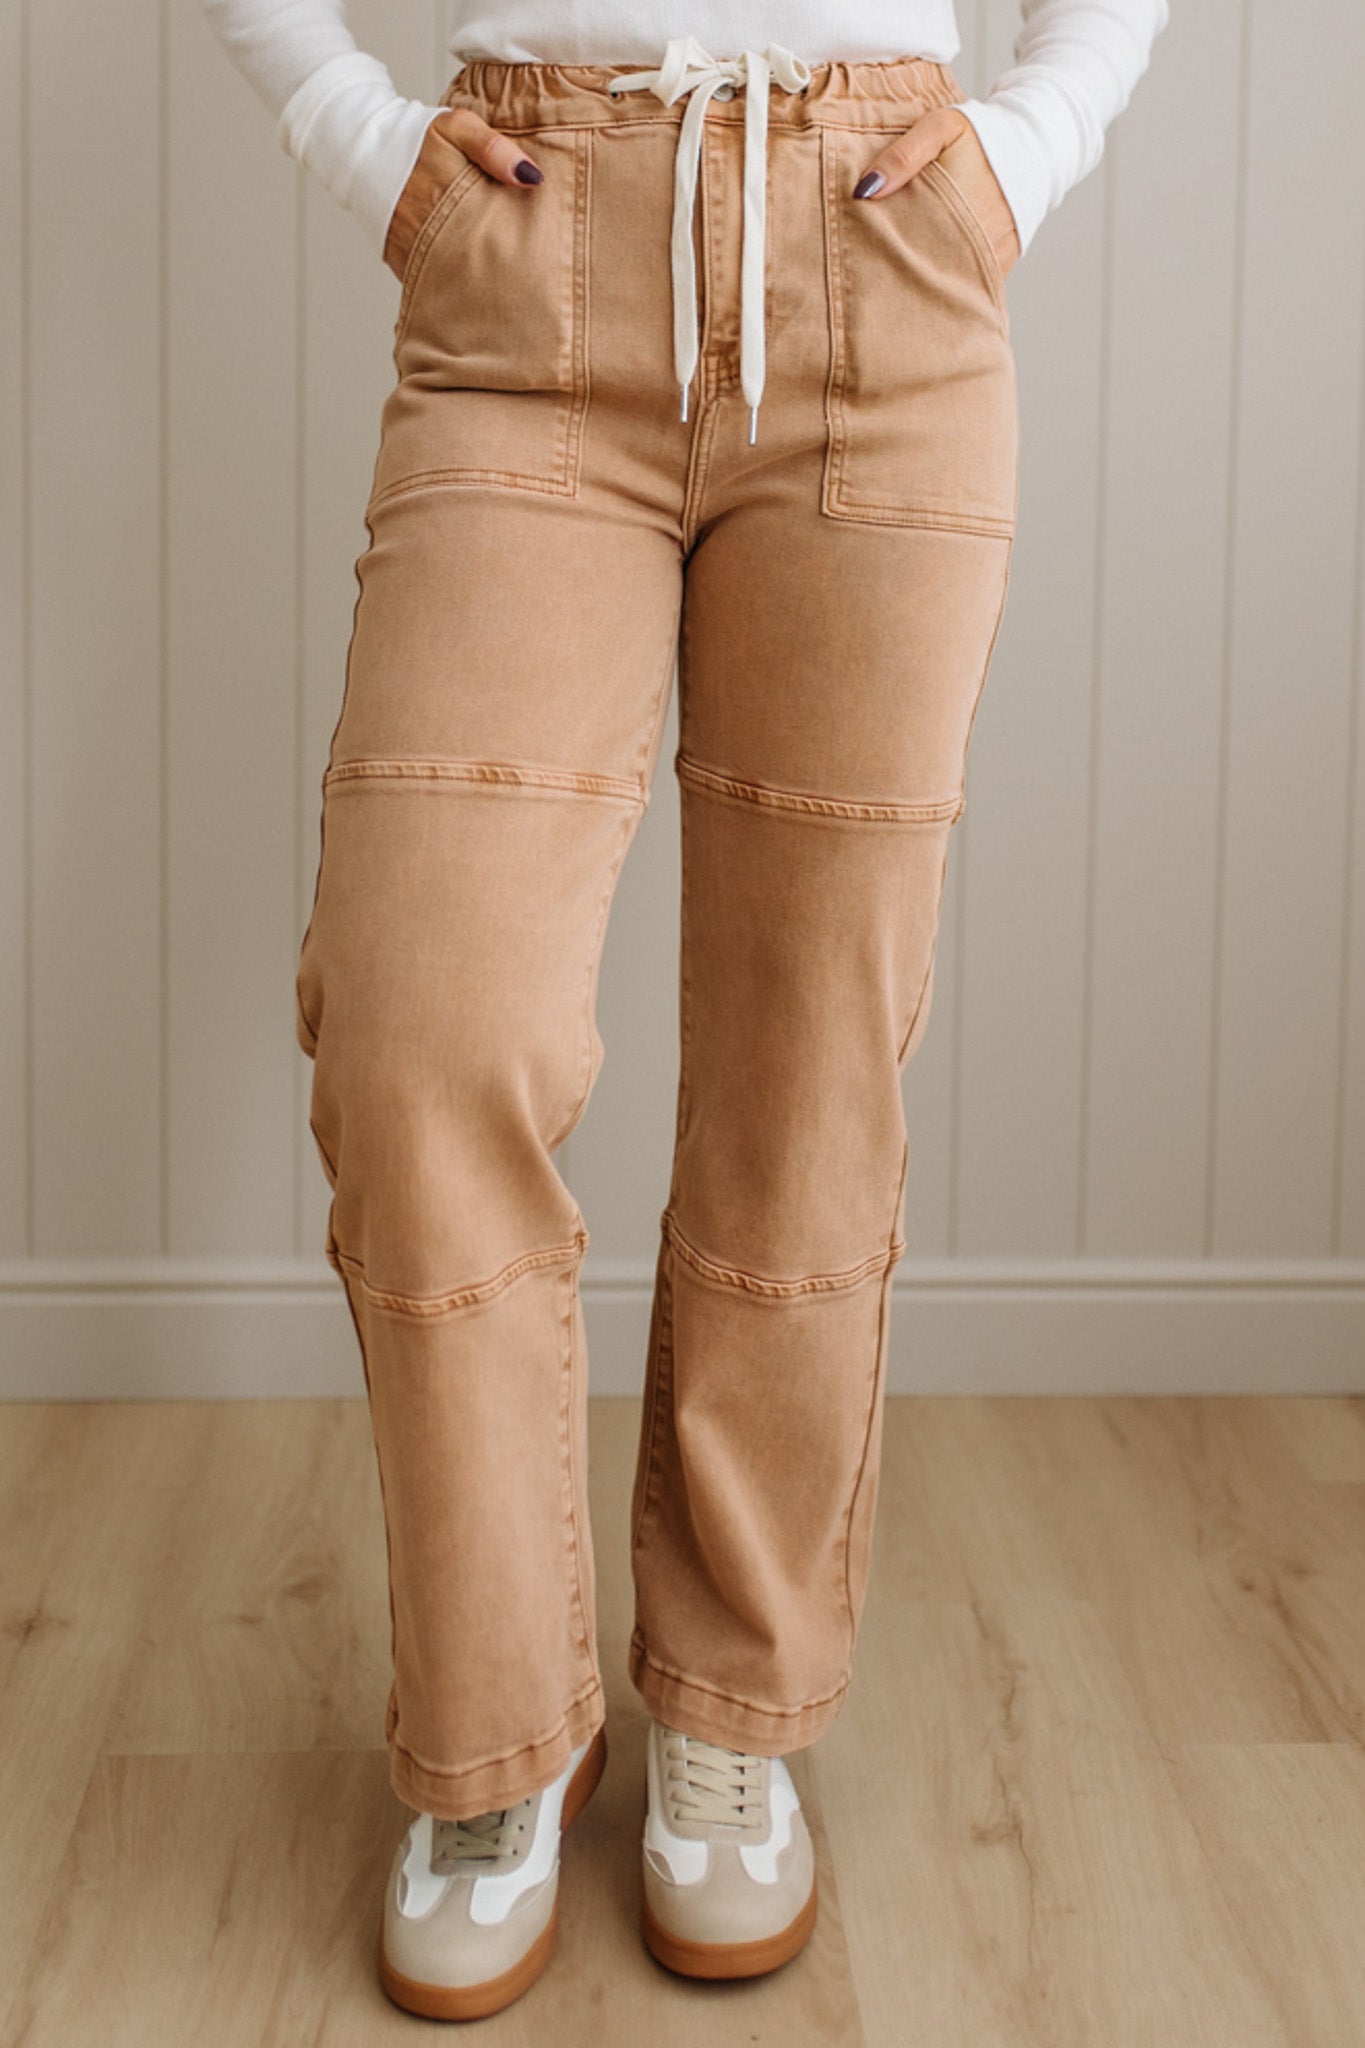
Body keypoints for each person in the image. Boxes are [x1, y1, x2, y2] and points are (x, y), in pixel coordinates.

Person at [202, 0, 1170, 2021]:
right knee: (412, 1016)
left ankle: (728, 1698)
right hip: (524, 259)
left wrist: (1035, 133)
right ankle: (496, 1740)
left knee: (807, 1056)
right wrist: (340, 118)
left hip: (881, 253)